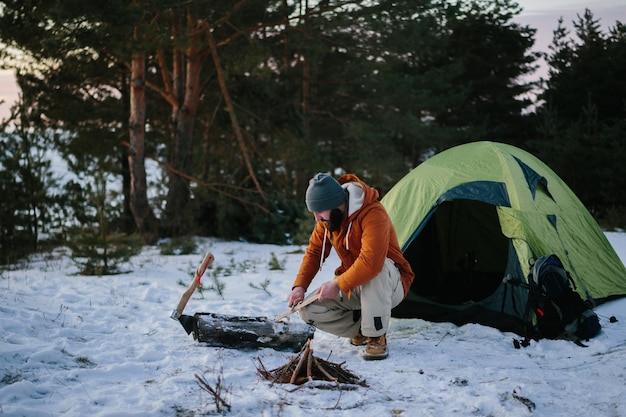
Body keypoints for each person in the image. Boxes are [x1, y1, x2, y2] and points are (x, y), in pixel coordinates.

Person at [287, 172, 415, 360]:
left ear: (335, 204)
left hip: (390, 283)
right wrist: (300, 287)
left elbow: (371, 263)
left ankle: (376, 334)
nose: (317, 219)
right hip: (354, 283)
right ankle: (364, 328)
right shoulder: (329, 219)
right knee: (308, 309)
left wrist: (337, 284)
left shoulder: (373, 213)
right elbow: (314, 252)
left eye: (319, 212)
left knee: (375, 270)